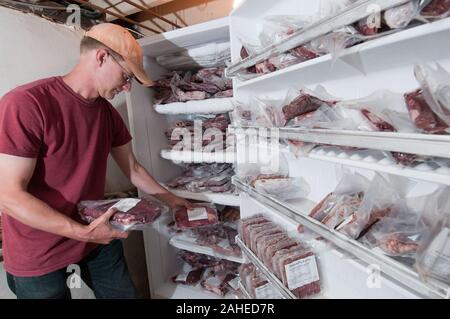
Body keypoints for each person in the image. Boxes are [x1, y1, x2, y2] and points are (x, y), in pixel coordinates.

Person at [0, 23, 191, 299]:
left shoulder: (107, 113)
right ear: (101, 57)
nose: (127, 88)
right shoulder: (26, 104)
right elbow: (9, 196)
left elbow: (133, 168)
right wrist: (83, 232)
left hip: (95, 232)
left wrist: (172, 200)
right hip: (38, 247)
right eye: (126, 76)